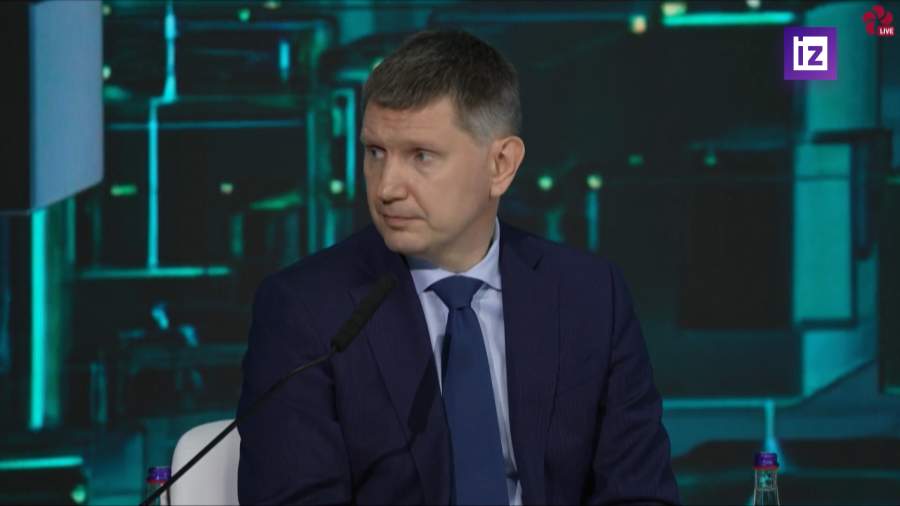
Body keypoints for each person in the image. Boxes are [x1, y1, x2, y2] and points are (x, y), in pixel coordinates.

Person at [237, 28, 679, 505]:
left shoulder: (589, 295)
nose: (386, 188)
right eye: (375, 153)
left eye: (421, 156)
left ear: (501, 165)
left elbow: (640, 493)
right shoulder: (304, 308)